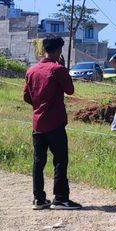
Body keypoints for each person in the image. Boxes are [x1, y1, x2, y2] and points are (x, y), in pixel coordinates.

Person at [23, 35, 82, 210]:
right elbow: (70, 90)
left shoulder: (31, 71)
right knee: (60, 160)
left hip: (37, 124)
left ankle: (39, 199)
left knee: (38, 162)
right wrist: (63, 67)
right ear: (57, 51)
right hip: (55, 123)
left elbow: (27, 97)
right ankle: (61, 198)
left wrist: (39, 105)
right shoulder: (58, 69)